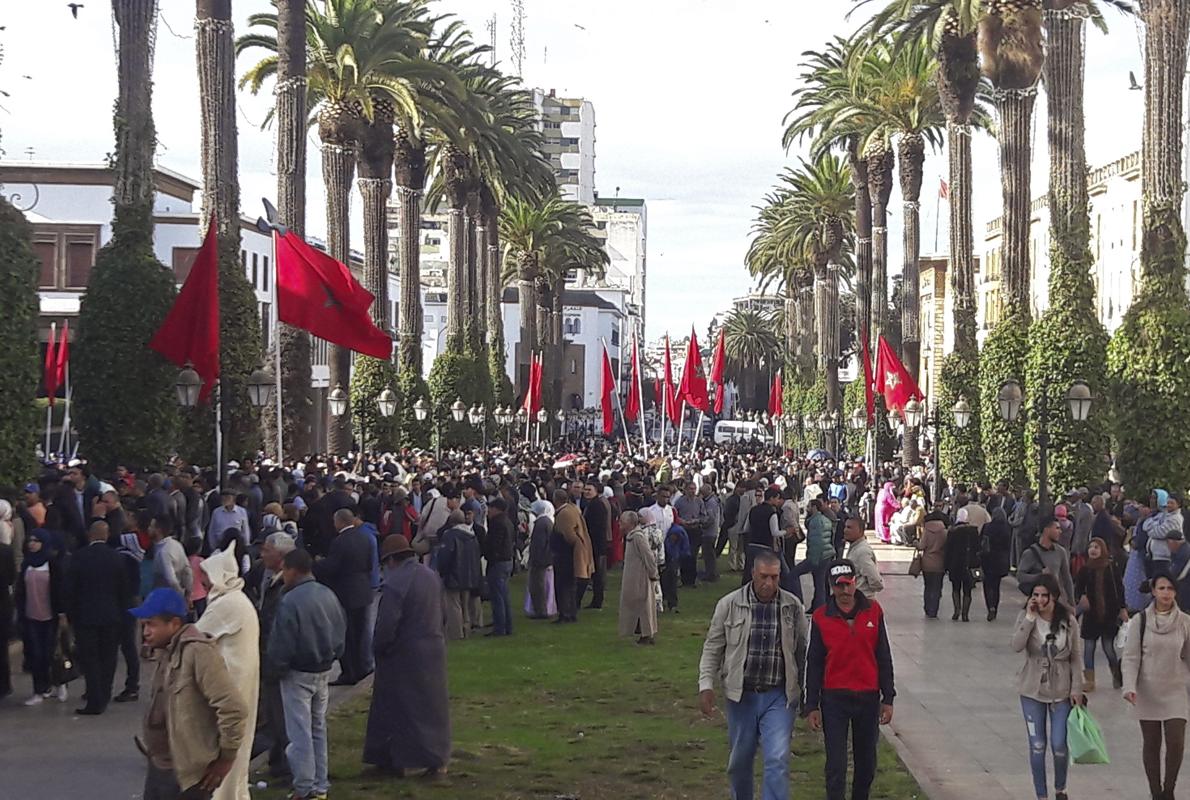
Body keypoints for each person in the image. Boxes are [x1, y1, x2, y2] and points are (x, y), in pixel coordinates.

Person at [698, 550, 809, 800]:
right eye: (763, 577)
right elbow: (713, 647)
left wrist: (806, 694)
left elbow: (802, 651)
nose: (769, 583)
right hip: (742, 696)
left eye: (775, 577)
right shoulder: (729, 604)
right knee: (739, 762)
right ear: (753, 574)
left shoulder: (792, 606)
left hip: (778, 696)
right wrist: (706, 684)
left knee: (777, 759)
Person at [132, 587, 249, 800]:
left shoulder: (198, 652)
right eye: (143, 625)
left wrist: (226, 759)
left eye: (151, 624)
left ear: (174, 624)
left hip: (187, 774)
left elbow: (233, 708)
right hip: (161, 765)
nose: (145, 632)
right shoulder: (166, 651)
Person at [804, 559, 896, 800]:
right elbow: (814, 663)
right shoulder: (822, 617)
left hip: (868, 697)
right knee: (836, 764)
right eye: (838, 586)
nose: (844, 592)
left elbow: (883, 655)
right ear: (831, 587)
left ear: (855, 583)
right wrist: (811, 704)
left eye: (848, 585)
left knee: (866, 765)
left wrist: (889, 697)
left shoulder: (873, 612)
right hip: (835, 698)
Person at [363, 535, 451, 778]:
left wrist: (379, 648)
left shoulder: (396, 582)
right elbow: (443, 613)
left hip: (403, 654)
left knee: (397, 710)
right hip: (433, 649)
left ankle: (395, 760)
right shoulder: (431, 575)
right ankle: (437, 761)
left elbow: (387, 625)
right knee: (432, 710)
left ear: (391, 560)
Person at [265, 549, 347, 800]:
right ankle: (320, 786)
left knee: (299, 733)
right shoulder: (328, 594)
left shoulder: (289, 600)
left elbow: (282, 643)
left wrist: (273, 670)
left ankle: (303, 787)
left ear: (291, 570)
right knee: (317, 728)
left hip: (297, 673)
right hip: (323, 669)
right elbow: (341, 633)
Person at [196, 547, 260, 800]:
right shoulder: (236, 600)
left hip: (231, 685)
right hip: (238, 682)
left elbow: (195, 636)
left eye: (206, 577)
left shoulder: (228, 604)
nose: (202, 582)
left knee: (226, 744)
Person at [1011, 573, 1082, 800]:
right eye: (1036, 595)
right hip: (1032, 688)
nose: (1040, 600)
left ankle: (1060, 788)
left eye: (1045, 596)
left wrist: (1077, 689)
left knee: (1059, 743)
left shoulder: (1068, 620)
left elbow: (1076, 657)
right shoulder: (1026, 616)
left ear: (1054, 597)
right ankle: (1041, 794)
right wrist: (1030, 619)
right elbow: (1016, 645)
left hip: (1061, 689)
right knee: (1038, 744)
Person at [1122, 573, 1190, 800]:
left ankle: (1168, 790)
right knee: (1151, 744)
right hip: (1147, 689)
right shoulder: (1140, 621)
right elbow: (1130, 657)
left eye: (1170, 588)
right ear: (1153, 591)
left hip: (1175, 689)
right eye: (1161, 588)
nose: (1166, 593)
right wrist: (1129, 686)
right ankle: (1155, 792)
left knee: (1176, 743)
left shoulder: (1185, 622)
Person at [65, 520, 131, 715]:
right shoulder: (117, 558)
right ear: (107, 534)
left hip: (86, 617)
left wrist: (70, 615)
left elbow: (70, 590)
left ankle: (94, 698)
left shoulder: (79, 558)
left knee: (90, 658)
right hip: (112, 616)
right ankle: (105, 692)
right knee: (108, 657)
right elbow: (124, 591)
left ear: (89, 534)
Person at [247, 531, 297, 779]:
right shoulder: (260, 571)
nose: (262, 553)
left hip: (277, 657)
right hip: (266, 652)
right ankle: (276, 759)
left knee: (281, 713)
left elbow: (282, 625)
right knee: (272, 711)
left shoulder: (290, 587)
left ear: (281, 556)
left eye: (267, 550)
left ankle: (285, 766)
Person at [313, 508, 375, 685]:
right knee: (361, 632)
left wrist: (317, 565)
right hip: (363, 589)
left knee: (346, 634)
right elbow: (370, 562)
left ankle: (349, 672)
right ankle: (363, 666)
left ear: (339, 522)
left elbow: (333, 567)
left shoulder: (339, 542)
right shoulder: (365, 537)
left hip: (346, 591)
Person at [16, 529, 67, 705]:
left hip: (50, 616)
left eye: (36, 541)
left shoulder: (52, 564)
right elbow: (20, 591)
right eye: (30, 541)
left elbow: (60, 590)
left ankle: (58, 683)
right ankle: (39, 689)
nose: (32, 544)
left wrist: (62, 613)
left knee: (51, 653)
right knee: (36, 654)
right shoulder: (26, 565)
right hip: (31, 616)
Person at [1074, 536, 1127, 693]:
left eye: (1097, 547)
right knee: (1088, 648)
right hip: (1091, 615)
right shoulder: (1084, 569)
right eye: (1091, 547)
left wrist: (1122, 608)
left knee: (1108, 648)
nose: (1093, 550)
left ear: (1103, 550)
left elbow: (1119, 589)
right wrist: (1080, 597)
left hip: (1109, 615)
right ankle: (1089, 680)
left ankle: (1116, 672)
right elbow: (1078, 588)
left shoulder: (1111, 567)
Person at [436, 509, 483, 638]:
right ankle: (467, 629)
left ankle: (456, 632)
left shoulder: (449, 535)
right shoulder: (472, 535)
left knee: (454, 605)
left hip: (453, 574)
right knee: (466, 604)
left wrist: (441, 570)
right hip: (469, 574)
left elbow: (445, 556)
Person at [618, 511, 659, 645]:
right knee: (636, 604)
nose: (620, 525)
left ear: (630, 523)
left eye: (622, 522)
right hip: (633, 576)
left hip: (640, 577)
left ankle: (647, 634)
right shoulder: (632, 537)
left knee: (644, 605)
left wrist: (653, 574)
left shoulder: (638, 537)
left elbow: (648, 556)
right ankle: (640, 631)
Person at [552, 489, 594, 622]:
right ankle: (571, 611)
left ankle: (565, 614)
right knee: (570, 585)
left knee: (563, 585)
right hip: (574, 553)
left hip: (567, 555)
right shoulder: (573, 509)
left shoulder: (564, 514)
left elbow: (569, 536)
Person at [1019, 516, 1077, 605]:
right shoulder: (1030, 553)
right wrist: (1039, 575)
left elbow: (1067, 579)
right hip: (1037, 602)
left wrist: (1072, 603)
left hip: (1056, 601)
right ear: (1047, 530)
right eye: (1057, 528)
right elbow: (1021, 576)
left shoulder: (1061, 552)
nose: (1060, 532)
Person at [483, 498, 516, 636]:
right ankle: (507, 625)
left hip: (498, 562)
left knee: (497, 596)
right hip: (507, 560)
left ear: (497, 509)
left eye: (491, 508)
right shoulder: (507, 521)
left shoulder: (497, 523)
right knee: (504, 595)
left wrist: (488, 555)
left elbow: (493, 544)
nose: (488, 510)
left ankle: (500, 627)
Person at [582, 481, 612, 607]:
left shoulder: (597, 505)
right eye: (586, 489)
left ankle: (597, 600)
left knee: (597, 573)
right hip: (596, 543)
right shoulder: (593, 504)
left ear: (596, 491)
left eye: (589, 490)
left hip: (596, 543)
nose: (586, 492)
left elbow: (597, 527)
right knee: (595, 573)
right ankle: (596, 600)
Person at [980, 506, 1012, 621]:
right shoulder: (1007, 528)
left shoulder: (987, 527)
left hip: (988, 559)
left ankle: (990, 607)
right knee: (996, 586)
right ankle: (995, 607)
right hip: (1000, 560)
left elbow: (981, 541)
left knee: (987, 584)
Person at [526, 498, 556, 619]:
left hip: (540, 560)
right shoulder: (547, 521)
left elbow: (538, 544)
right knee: (541, 585)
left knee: (537, 586)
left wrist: (534, 559)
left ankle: (540, 611)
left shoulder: (541, 523)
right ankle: (542, 609)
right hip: (545, 558)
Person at [917, 511, 948, 619]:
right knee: (937, 587)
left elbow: (921, 546)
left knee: (928, 586)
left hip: (927, 563)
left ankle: (927, 607)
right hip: (940, 563)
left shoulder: (926, 531)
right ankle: (934, 609)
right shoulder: (944, 532)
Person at [843, 516, 883, 597]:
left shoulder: (862, 551)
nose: (845, 530)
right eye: (845, 527)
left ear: (860, 531)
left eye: (850, 527)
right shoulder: (854, 548)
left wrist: (864, 593)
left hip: (862, 600)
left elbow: (875, 580)